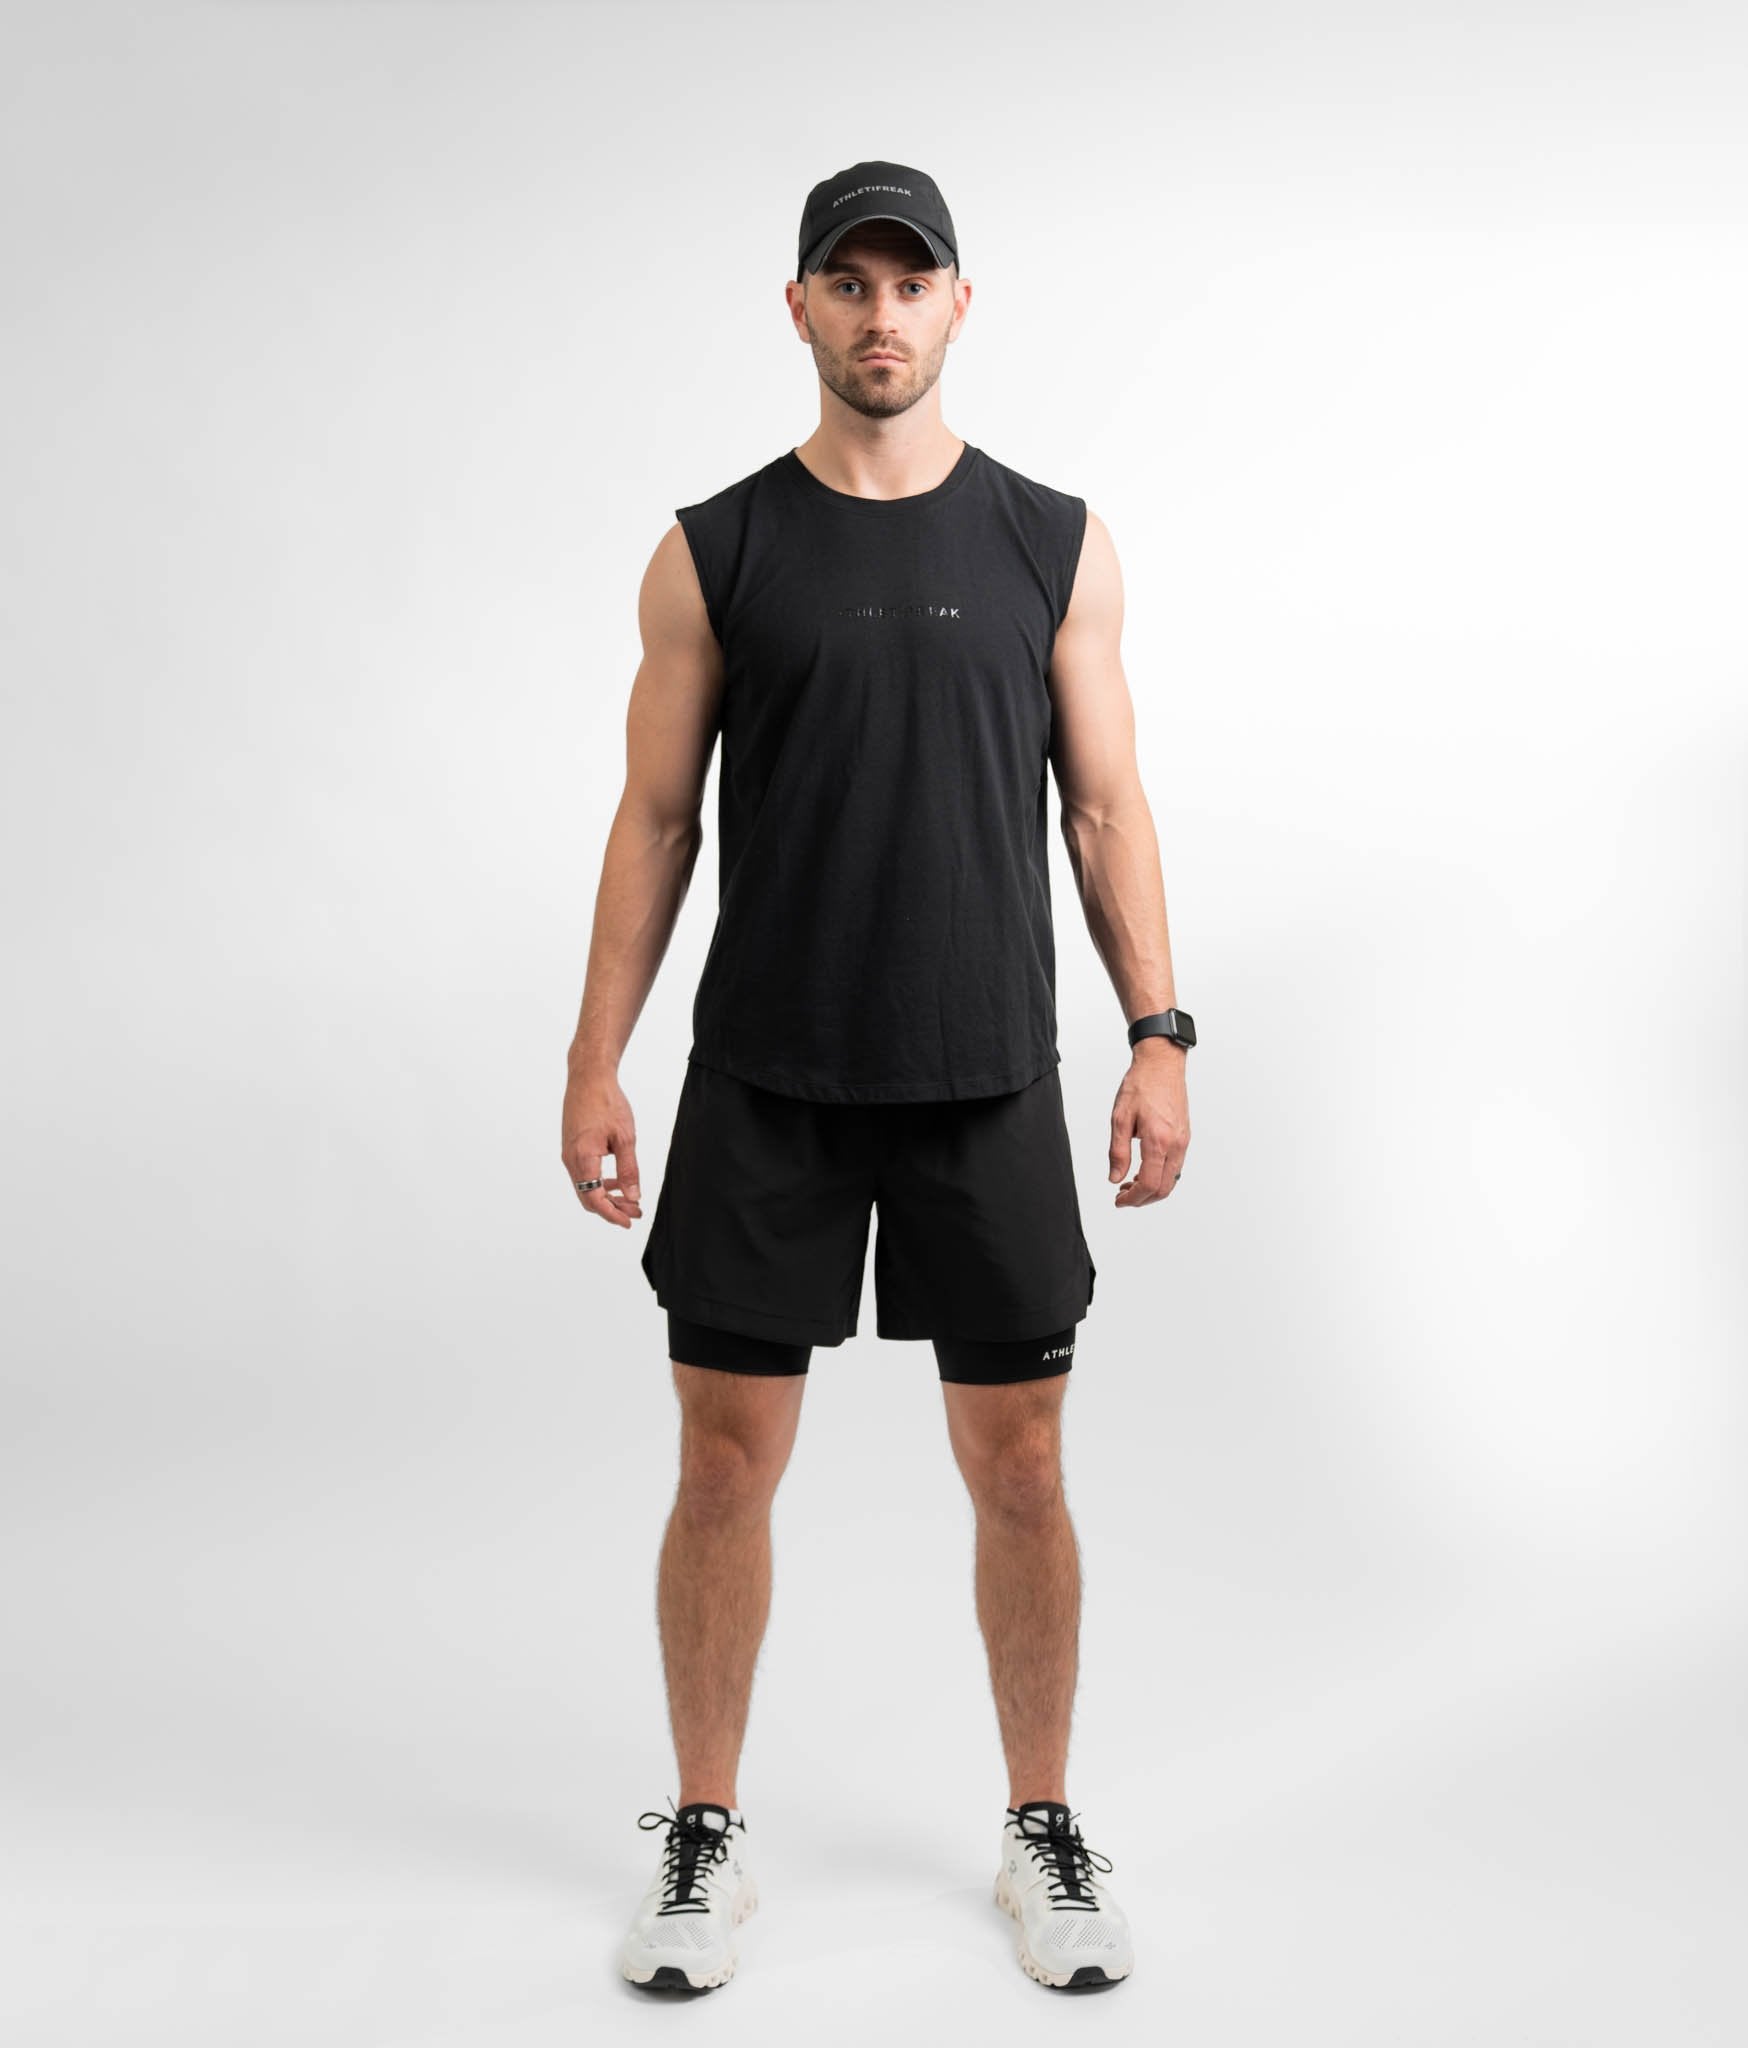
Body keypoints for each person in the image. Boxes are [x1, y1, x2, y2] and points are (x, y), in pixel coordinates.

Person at [560, 159, 1193, 1995]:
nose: (881, 313)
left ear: (959, 307)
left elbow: (1106, 809)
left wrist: (1158, 1032)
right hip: (766, 1078)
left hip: (984, 1075)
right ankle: (703, 1833)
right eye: (848, 282)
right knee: (724, 1467)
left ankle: (1041, 1824)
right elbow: (656, 818)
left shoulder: (1053, 542)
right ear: (802, 310)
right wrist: (595, 1059)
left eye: (911, 283)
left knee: (1022, 1466)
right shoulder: (716, 550)